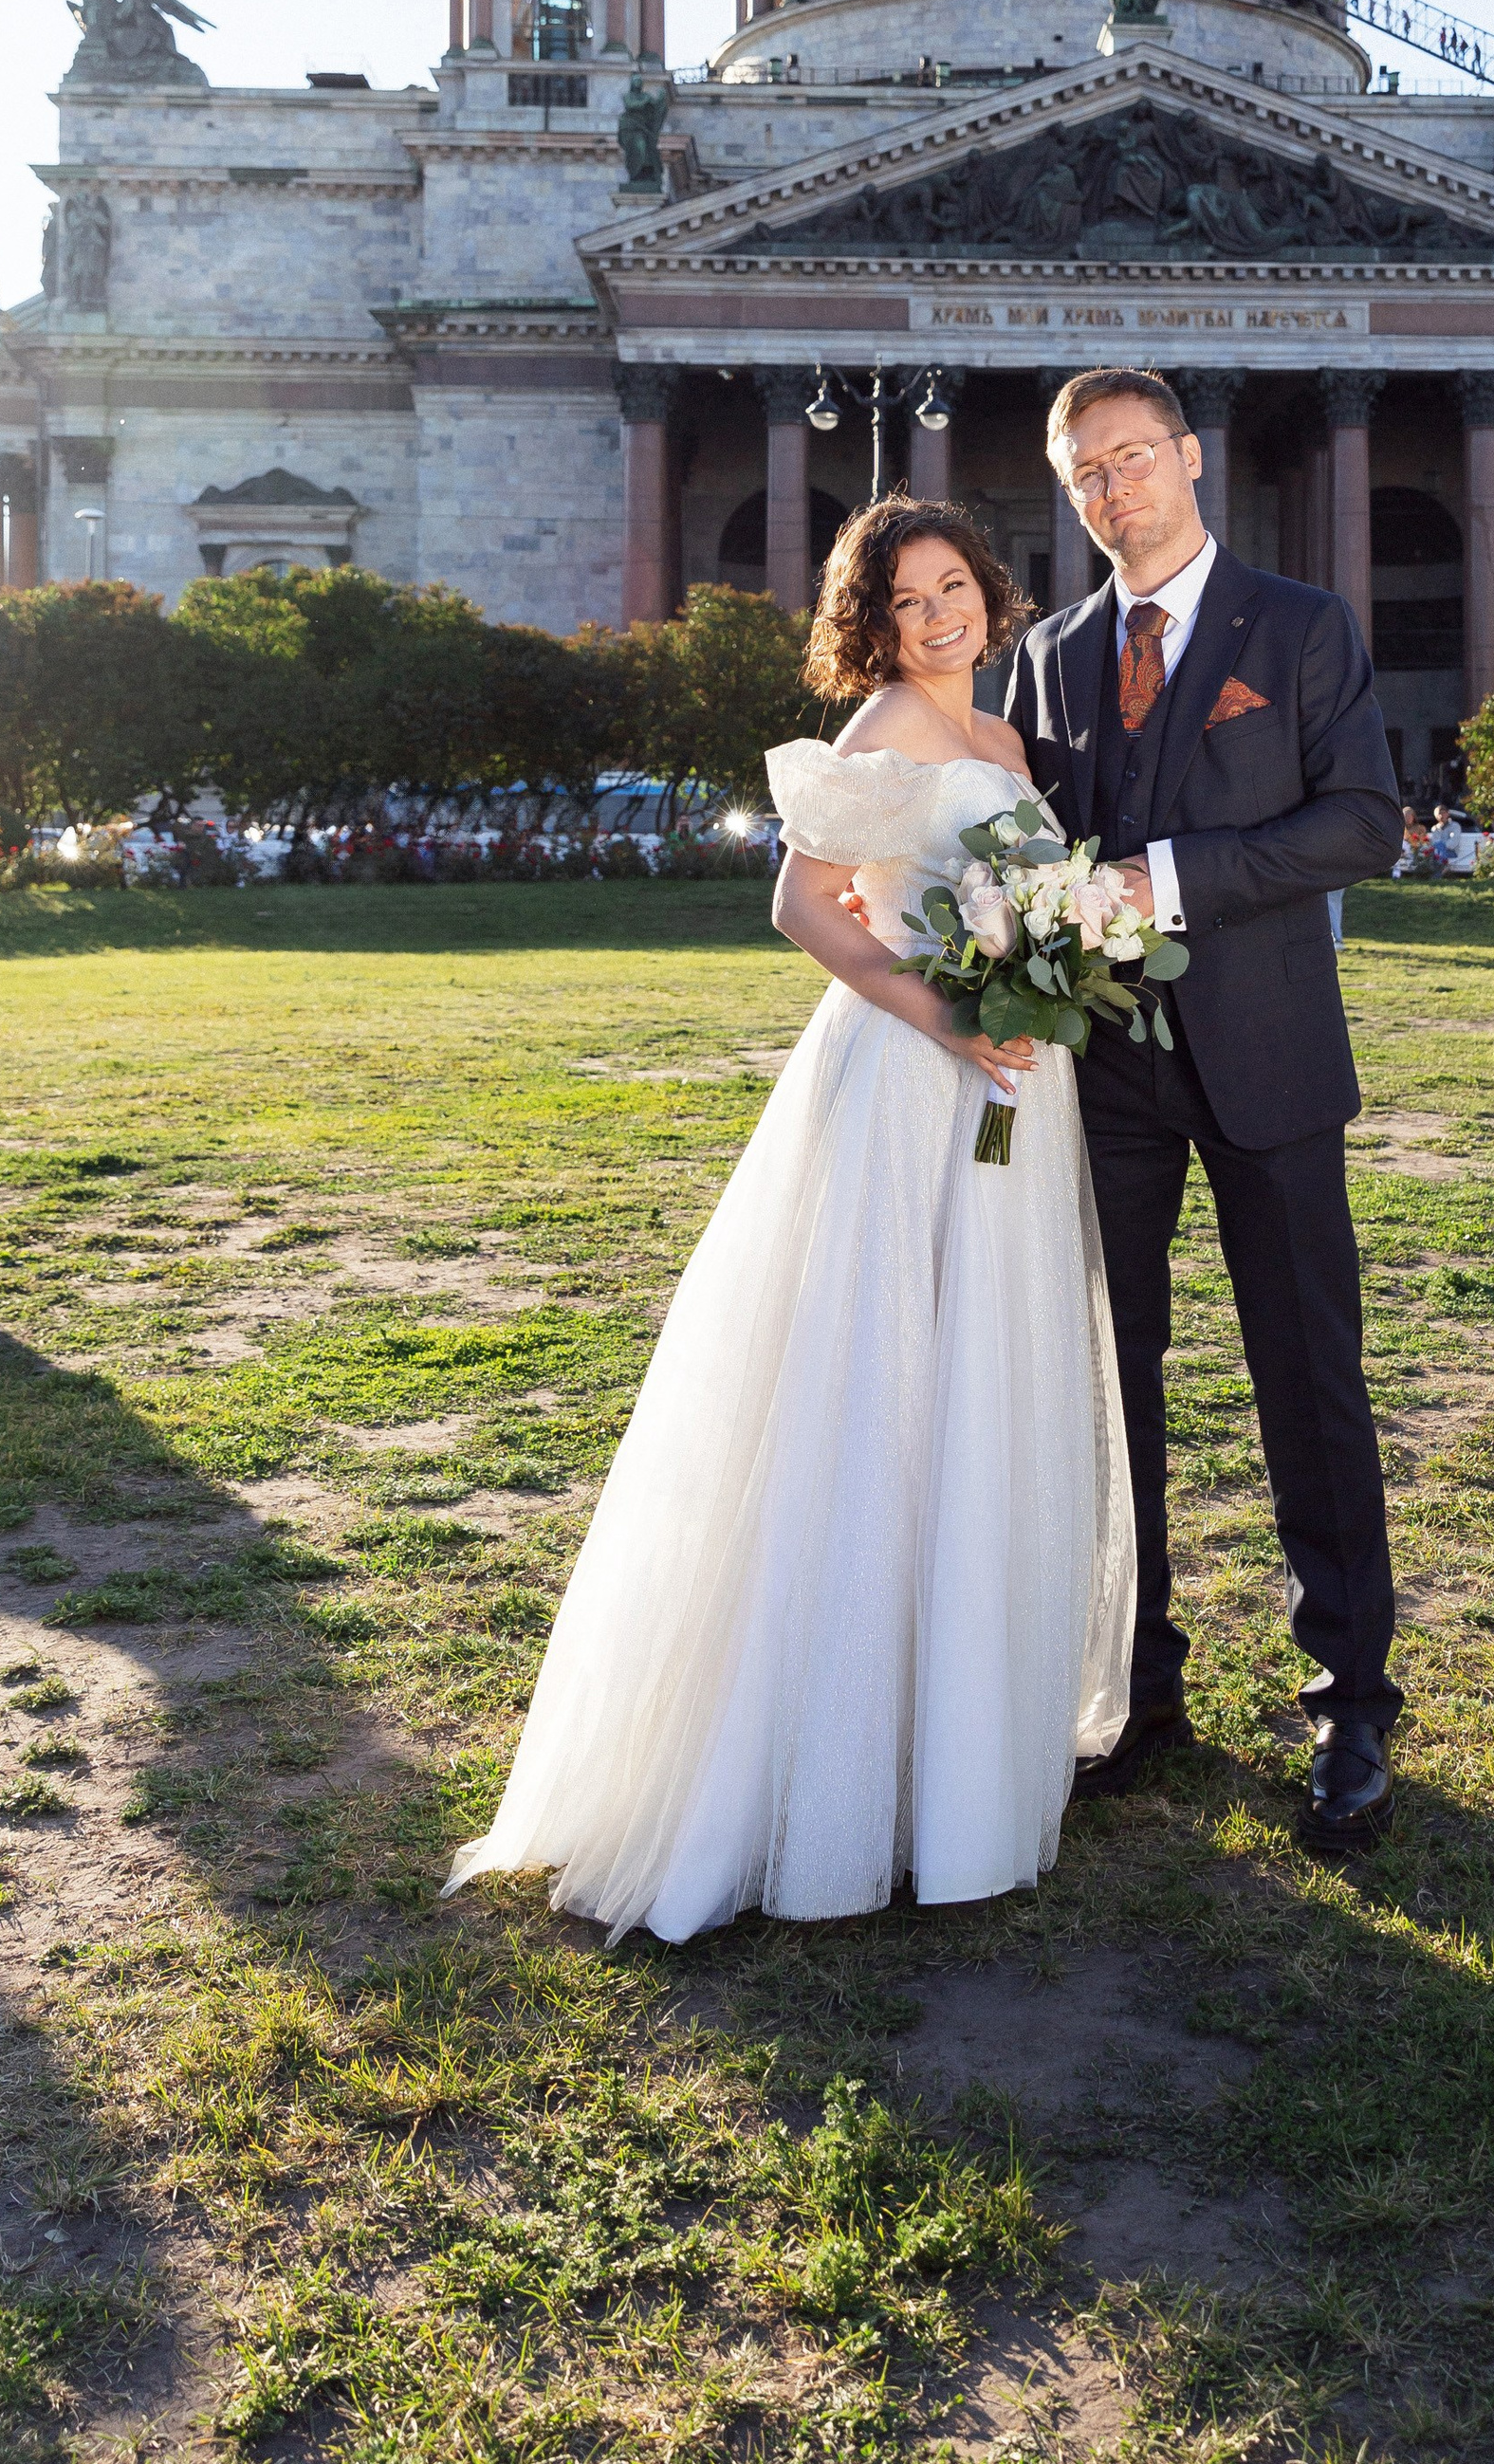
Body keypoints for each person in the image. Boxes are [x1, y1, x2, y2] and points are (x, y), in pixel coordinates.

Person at [446, 497, 1133, 1940]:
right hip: (911, 1074)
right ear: (869, 626)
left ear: (990, 590)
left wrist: (1048, 974)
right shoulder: (885, 729)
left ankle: (950, 1753)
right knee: (876, 1382)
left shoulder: (1006, 741)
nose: (935, 616)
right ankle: (830, 1769)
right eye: (904, 601)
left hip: (1016, 1085)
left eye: (951, 587)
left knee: (975, 1384)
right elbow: (804, 906)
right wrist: (943, 1014)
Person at [1006, 368, 1407, 1854]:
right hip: (1102, 1071)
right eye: (1087, 474)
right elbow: (1022, 844)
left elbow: (1363, 822)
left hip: (1271, 1061)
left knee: (1310, 1381)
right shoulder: (1046, 658)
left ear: (1188, 458)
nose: (1114, 489)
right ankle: (1135, 1685)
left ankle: (1350, 1702)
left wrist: (1165, 880)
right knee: (1109, 1386)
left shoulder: (1301, 626)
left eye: (1133, 457)